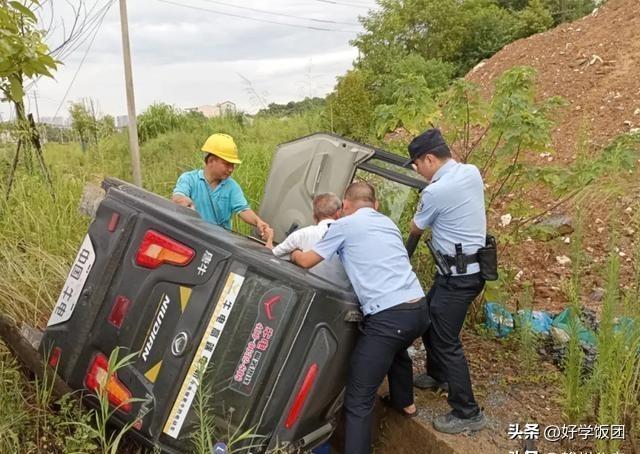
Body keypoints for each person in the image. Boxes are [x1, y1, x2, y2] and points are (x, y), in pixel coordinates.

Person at [290, 182, 427, 454]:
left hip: (389, 317)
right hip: (419, 309)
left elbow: (306, 261)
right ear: (375, 205)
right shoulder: (388, 223)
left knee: (358, 401)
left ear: (345, 206)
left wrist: (294, 251)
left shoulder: (343, 226)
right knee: (397, 350)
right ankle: (405, 403)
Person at [405, 128, 487, 434]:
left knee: (446, 340)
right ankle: (437, 374)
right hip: (464, 273)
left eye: (416, 164)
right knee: (427, 316)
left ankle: (467, 411)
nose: (417, 171)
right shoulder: (471, 172)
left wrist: (401, 262)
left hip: (458, 279)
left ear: (429, 158)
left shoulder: (436, 191)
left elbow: (416, 229)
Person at [172, 133, 269, 236]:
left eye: (233, 165)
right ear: (211, 161)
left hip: (221, 240)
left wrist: (258, 222)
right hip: (193, 236)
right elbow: (178, 196)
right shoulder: (189, 179)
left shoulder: (232, 186)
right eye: (227, 164)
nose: (231, 169)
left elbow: (243, 209)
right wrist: (184, 202)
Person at [263, 193, 351, 288]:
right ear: (338, 213)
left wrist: (269, 239)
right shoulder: (351, 238)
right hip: (341, 296)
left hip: (306, 290)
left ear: (314, 216)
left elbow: (270, 255)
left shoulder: (302, 234)